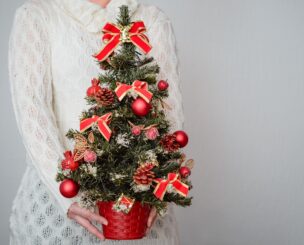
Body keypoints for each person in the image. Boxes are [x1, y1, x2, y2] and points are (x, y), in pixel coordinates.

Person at [8, 0, 185, 244]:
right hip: (59, 205)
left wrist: (163, 186)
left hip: (139, 206)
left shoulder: (152, 20)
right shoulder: (38, 14)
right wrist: (67, 195)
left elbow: (169, 109)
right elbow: (32, 109)